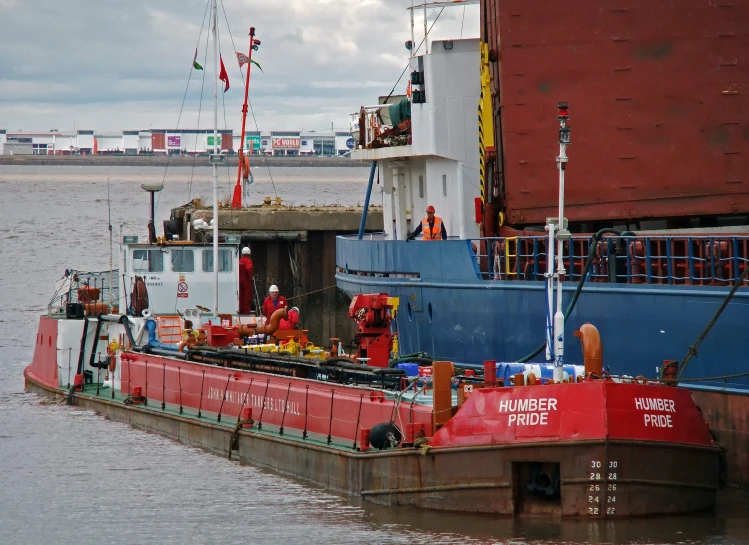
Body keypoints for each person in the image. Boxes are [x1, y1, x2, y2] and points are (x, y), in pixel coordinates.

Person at [238, 247, 254, 314]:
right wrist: (250, 276)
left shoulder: (239, 261)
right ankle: (246, 311)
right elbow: (248, 269)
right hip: (246, 280)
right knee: (247, 296)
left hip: (239, 280)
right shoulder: (248, 261)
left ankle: (240, 309)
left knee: (240, 296)